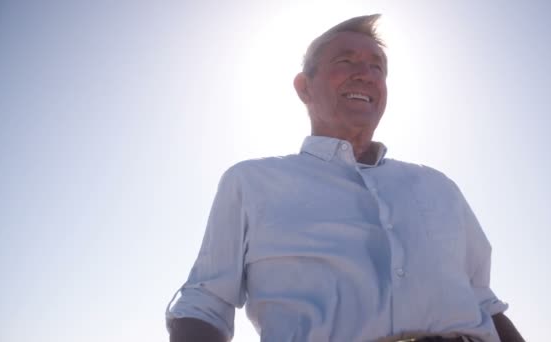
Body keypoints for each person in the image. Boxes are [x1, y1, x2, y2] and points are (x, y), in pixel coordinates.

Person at [166, 14, 525, 342]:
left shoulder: (438, 187)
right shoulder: (251, 182)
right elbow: (204, 304)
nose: (366, 74)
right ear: (304, 87)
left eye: (377, 67)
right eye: (346, 62)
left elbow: (483, 300)